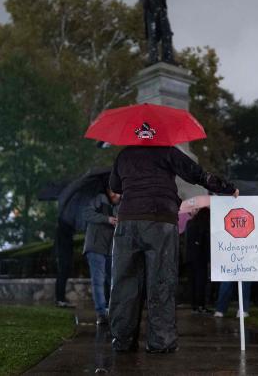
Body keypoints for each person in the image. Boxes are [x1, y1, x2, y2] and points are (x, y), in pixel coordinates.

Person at [108, 146, 237, 353]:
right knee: (161, 280)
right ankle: (161, 342)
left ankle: (122, 340)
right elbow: (196, 173)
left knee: (125, 283)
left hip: (128, 221)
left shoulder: (124, 154)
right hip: (160, 220)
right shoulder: (166, 150)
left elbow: (115, 185)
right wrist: (227, 188)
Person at [83, 188, 121, 324]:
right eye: (113, 191)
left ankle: (111, 311)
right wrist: (107, 219)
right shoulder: (99, 199)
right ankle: (101, 314)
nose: (116, 194)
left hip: (111, 248)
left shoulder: (121, 205)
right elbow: (86, 213)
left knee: (112, 281)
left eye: (118, 192)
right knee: (97, 281)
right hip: (95, 247)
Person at [139, 0, 175, 64]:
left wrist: (164, 11)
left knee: (167, 34)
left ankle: (168, 58)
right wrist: (148, 8)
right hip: (151, 12)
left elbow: (164, 2)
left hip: (162, 13)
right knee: (153, 35)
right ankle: (153, 59)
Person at [185, 208, 212, 314]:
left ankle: (194, 306)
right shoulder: (204, 225)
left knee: (193, 282)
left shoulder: (189, 223)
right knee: (201, 282)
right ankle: (201, 305)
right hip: (201, 258)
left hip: (190, 258)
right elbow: (204, 243)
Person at [54, 218, 75, 308]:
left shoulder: (61, 226)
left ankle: (60, 299)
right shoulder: (64, 226)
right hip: (64, 255)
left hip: (63, 255)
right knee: (62, 276)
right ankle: (60, 299)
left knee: (62, 277)